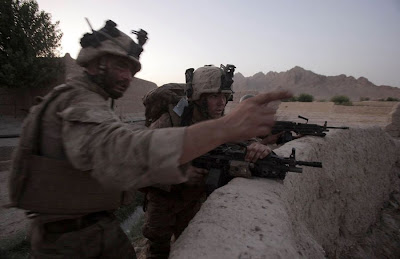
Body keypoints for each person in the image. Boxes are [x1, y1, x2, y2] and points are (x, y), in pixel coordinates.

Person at [8, 20, 291, 258]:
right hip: (73, 238)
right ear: (94, 64)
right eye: (120, 66)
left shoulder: (87, 101)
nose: (127, 76)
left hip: (93, 227)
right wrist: (222, 132)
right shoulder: (79, 104)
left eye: (132, 69)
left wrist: (250, 144)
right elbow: (126, 153)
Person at [142, 65, 272, 259]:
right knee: (158, 251)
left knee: (190, 247)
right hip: (163, 201)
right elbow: (142, 161)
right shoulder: (171, 121)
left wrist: (256, 146)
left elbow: (241, 137)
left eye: (225, 96)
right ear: (199, 98)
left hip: (193, 201)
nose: (221, 103)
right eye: (214, 96)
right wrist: (180, 173)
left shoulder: (219, 122)